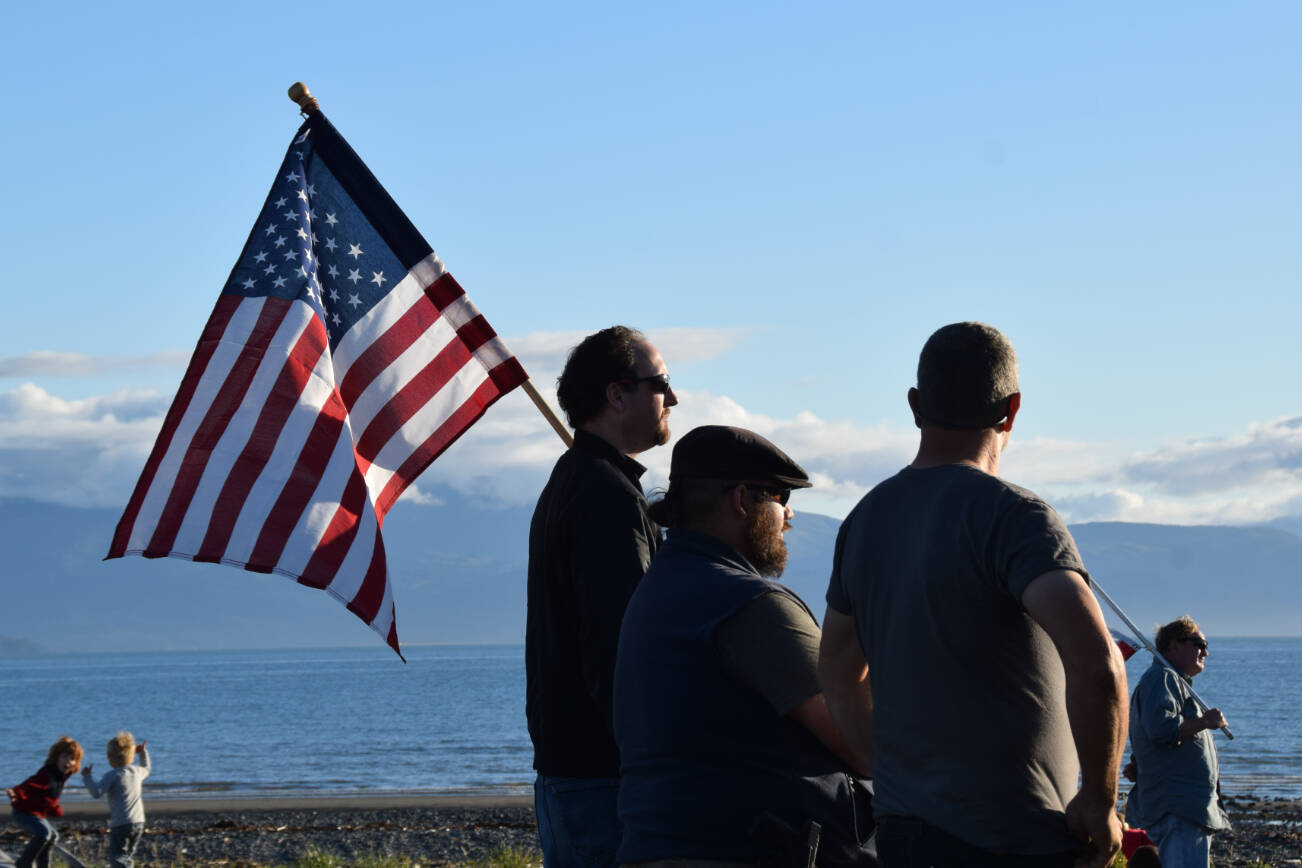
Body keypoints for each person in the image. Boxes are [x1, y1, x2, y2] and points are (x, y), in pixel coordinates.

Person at [818, 321, 1129, 868]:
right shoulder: (1017, 518)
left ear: (915, 406)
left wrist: (894, 775)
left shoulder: (864, 521)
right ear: (1011, 410)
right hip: (1015, 838)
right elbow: (1099, 663)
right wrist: (1101, 800)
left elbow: (840, 673)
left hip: (906, 836)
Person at [614, 425, 876, 867]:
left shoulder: (656, 591)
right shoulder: (754, 606)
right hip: (743, 851)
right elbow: (864, 744)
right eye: (781, 498)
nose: (789, 517)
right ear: (741, 500)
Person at [526, 325, 678, 868]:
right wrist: (656, 764)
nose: (674, 398)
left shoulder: (576, 481)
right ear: (617, 394)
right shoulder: (605, 497)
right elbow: (623, 650)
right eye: (661, 383)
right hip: (603, 782)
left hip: (575, 775)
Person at [1124, 616, 1230, 867]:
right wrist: (1204, 722)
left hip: (1180, 808)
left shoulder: (1167, 681)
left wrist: (1141, 764)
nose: (1205, 651)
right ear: (1174, 646)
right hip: (1178, 810)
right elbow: (1162, 729)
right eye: (1199, 643)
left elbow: (1153, 737)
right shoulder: (1162, 677)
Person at [6, 736, 83, 868]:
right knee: (44, 833)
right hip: (23, 812)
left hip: (35, 814)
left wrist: (55, 808)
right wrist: (16, 792)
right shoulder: (48, 774)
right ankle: (24, 863)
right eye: (65, 757)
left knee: (54, 835)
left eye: (72, 759)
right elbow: (31, 783)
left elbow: (48, 798)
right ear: (56, 757)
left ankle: (43, 865)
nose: (69, 762)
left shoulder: (61, 776)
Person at [82, 732, 152, 868]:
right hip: (138, 821)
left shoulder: (112, 775)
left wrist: (87, 777)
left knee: (117, 857)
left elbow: (96, 793)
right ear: (131, 755)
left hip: (120, 824)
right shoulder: (136, 772)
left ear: (110, 758)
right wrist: (143, 753)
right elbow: (147, 768)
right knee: (128, 856)